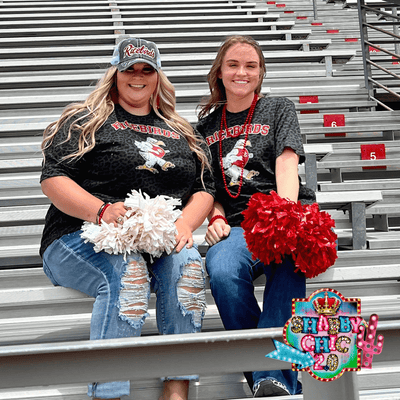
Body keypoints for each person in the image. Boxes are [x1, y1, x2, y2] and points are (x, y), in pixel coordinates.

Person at [40, 37, 215, 400]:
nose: (138, 76)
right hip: (80, 235)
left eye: (146, 70)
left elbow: (204, 188)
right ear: (114, 74)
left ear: (158, 76)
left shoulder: (182, 130)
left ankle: (177, 390)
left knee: (188, 266)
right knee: (129, 272)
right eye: (129, 69)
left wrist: (185, 225)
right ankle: (109, 394)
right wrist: (101, 211)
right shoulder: (85, 120)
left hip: (157, 239)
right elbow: (53, 179)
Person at [196, 35, 316, 397]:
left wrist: (285, 214)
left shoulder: (278, 108)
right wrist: (216, 218)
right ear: (219, 72)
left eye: (251, 65)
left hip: (283, 208)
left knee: (291, 257)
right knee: (222, 270)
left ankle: (270, 378)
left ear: (260, 73)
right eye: (233, 64)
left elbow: (287, 161)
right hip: (237, 224)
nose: (242, 72)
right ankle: (273, 378)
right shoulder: (203, 128)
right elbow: (208, 189)